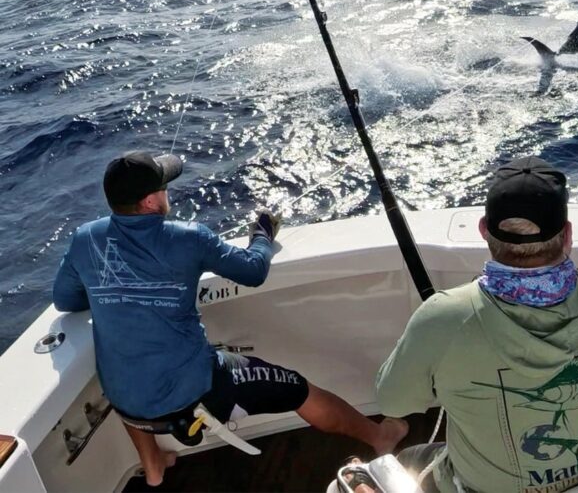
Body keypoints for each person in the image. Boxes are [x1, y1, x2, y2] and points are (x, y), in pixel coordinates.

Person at [53, 151, 407, 486]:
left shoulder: (85, 239)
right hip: (195, 394)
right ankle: (380, 436)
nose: (167, 192)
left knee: (133, 365)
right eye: (163, 187)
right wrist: (263, 235)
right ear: (149, 202)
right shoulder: (189, 238)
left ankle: (154, 467)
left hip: (124, 400)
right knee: (298, 388)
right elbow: (252, 271)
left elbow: (65, 299)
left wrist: (115, 289)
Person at [375, 156, 578, 493]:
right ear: (567, 235)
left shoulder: (442, 319)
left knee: (408, 458)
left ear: (483, 229)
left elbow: (393, 403)